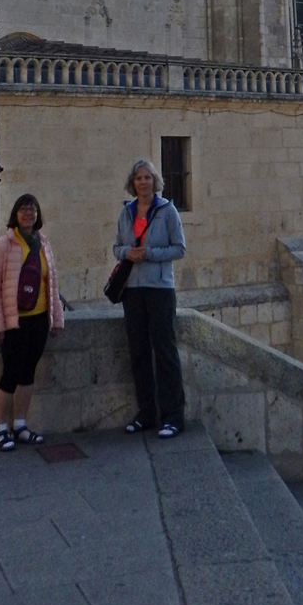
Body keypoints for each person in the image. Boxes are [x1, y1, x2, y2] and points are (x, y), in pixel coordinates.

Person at [0, 193, 64, 451]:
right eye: (23, 210)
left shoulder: (43, 244)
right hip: (14, 321)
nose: (28, 214)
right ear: (15, 215)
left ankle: (19, 426)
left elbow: (51, 283)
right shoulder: (2, 245)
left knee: (28, 374)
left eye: (32, 210)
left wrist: (57, 317)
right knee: (10, 374)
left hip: (39, 319)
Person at [114, 158, 186, 438]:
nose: (142, 182)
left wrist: (150, 254)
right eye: (138, 178)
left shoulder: (167, 211)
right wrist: (126, 253)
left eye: (147, 177)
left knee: (165, 352)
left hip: (159, 289)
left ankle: (173, 416)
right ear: (132, 184)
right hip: (132, 290)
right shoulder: (126, 213)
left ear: (155, 181)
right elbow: (116, 246)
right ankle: (146, 414)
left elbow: (179, 248)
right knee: (139, 352)